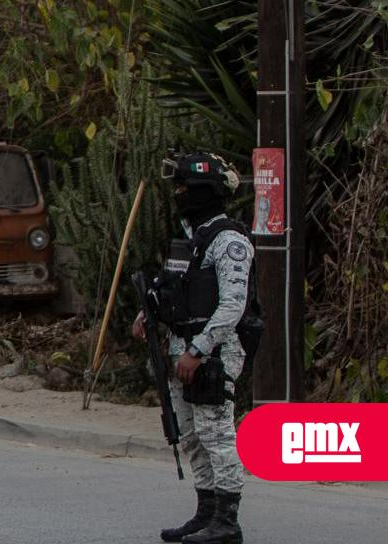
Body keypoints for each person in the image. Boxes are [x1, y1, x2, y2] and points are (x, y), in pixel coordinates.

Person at [133, 151, 252, 544]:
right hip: (181, 348)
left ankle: (227, 521)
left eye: (184, 187)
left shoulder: (229, 241)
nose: (179, 194)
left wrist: (198, 351)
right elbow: (172, 290)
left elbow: (232, 305)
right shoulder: (191, 241)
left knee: (215, 432)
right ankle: (205, 513)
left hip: (213, 350)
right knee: (190, 434)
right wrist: (147, 314)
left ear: (203, 190)